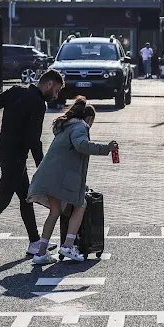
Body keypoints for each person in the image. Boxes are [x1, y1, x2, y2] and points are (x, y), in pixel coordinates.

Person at [0, 69, 65, 260]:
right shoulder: (38, 103)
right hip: (15, 158)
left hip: (4, 152)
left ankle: (34, 242)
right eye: (56, 90)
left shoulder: (16, 90)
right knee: (2, 200)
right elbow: (34, 140)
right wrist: (42, 167)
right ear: (49, 85)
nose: (56, 95)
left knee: (26, 198)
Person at [27, 97, 118, 264]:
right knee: (81, 204)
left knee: (54, 212)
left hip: (49, 176)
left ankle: (40, 253)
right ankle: (68, 245)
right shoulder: (80, 126)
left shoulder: (66, 126)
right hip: (60, 178)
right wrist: (106, 148)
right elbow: (81, 145)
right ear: (89, 119)